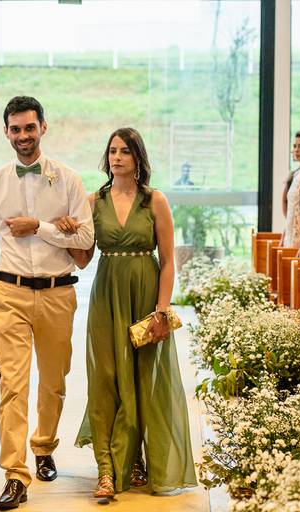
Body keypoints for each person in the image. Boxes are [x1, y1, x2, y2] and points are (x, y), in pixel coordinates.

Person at [0, 96, 93, 511]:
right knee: (13, 385)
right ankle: (14, 473)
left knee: (55, 380)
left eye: (29, 127)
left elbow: (85, 239)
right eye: (15, 129)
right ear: (6, 132)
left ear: (43, 126)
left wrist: (38, 226)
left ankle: (44, 447)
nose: (22, 136)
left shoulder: (69, 179)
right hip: (10, 292)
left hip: (59, 291)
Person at [66, 127, 197, 499]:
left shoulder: (154, 200)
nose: (117, 157)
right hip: (106, 297)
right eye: (112, 151)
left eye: (125, 151)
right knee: (105, 379)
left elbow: (168, 261)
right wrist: (68, 233)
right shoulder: (94, 201)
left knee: (142, 380)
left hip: (145, 295)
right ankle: (106, 470)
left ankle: (136, 458)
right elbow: (82, 259)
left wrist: (162, 310)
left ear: (138, 157)